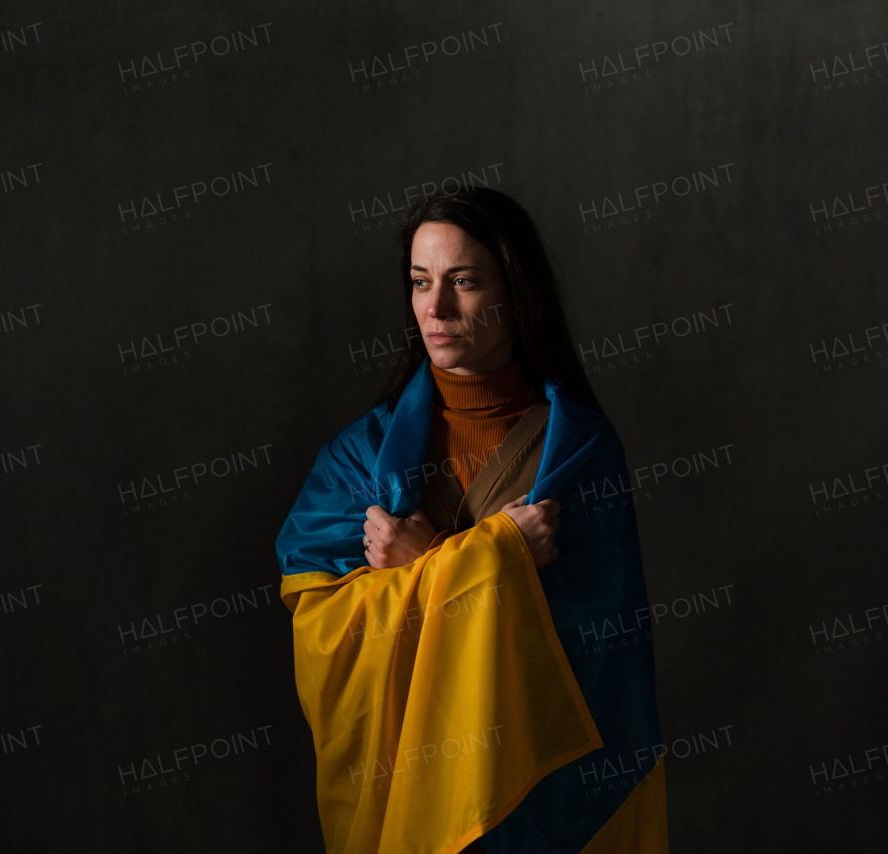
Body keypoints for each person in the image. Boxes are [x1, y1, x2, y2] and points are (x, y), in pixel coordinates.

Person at [276, 187, 668, 854]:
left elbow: (598, 650)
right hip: (408, 786)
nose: (436, 308)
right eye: (420, 283)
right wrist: (498, 552)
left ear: (515, 292)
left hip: (539, 798)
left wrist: (422, 561)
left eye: (463, 281)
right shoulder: (359, 459)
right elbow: (324, 638)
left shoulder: (577, 451)